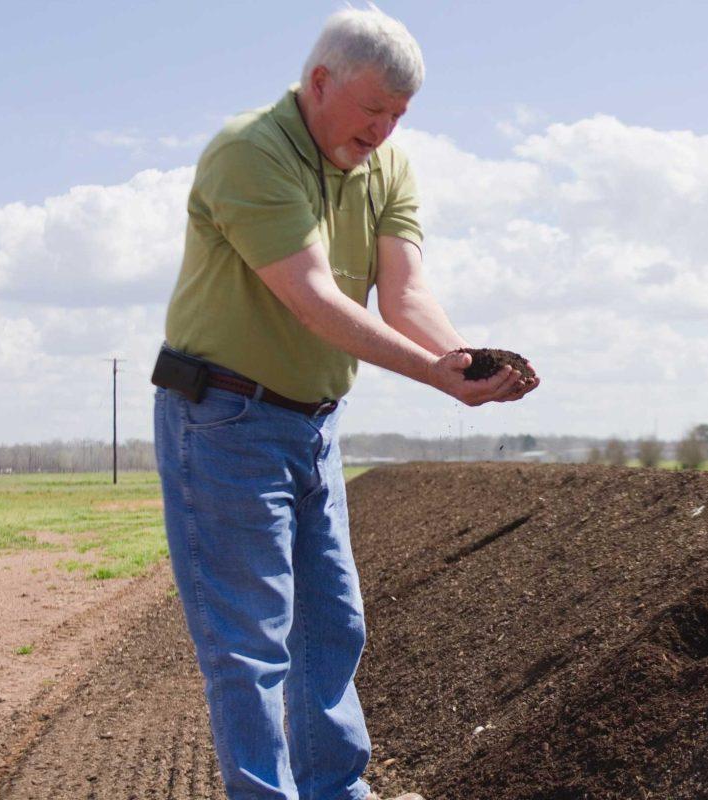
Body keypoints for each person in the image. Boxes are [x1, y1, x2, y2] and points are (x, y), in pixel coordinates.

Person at [152, 8, 538, 800]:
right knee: (251, 645)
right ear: (319, 81)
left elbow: (405, 293)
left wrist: (462, 360)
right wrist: (434, 376)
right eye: (374, 110)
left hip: (315, 424)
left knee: (331, 626)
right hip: (226, 422)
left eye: (400, 115)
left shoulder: (386, 165)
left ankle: (336, 789)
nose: (386, 130)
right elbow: (317, 301)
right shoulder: (250, 153)